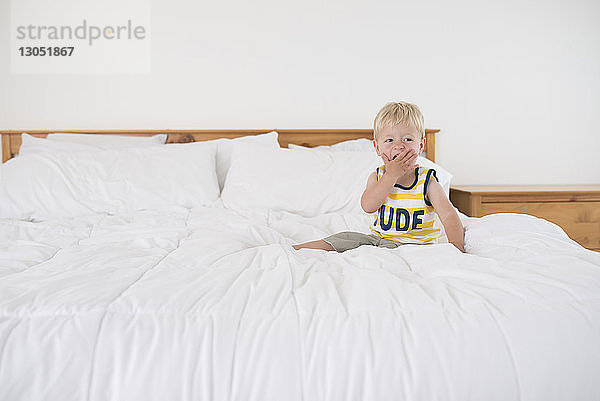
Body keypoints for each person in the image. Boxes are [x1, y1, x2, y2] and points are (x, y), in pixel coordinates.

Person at [292, 101, 465, 253]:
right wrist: (392, 174)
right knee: (346, 238)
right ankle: (294, 250)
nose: (399, 146)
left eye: (407, 139)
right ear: (377, 148)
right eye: (389, 140)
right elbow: (368, 206)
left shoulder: (427, 182)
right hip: (379, 242)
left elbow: (449, 216)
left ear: (420, 145)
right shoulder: (377, 176)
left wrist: (456, 246)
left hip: (415, 246)